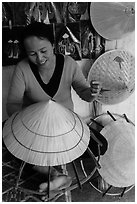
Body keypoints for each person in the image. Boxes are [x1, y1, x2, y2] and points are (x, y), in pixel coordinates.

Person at [5, 22, 102, 194]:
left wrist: (92, 93)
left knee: (101, 145)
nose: (40, 58)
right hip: (35, 127)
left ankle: (51, 172)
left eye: (44, 51)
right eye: (32, 54)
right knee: (6, 139)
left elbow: (84, 93)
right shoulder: (23, 68)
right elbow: (13, 104)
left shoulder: (69, 64)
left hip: (65, 126)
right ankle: (55, 175)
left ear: (53, 44)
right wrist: (24, 128)